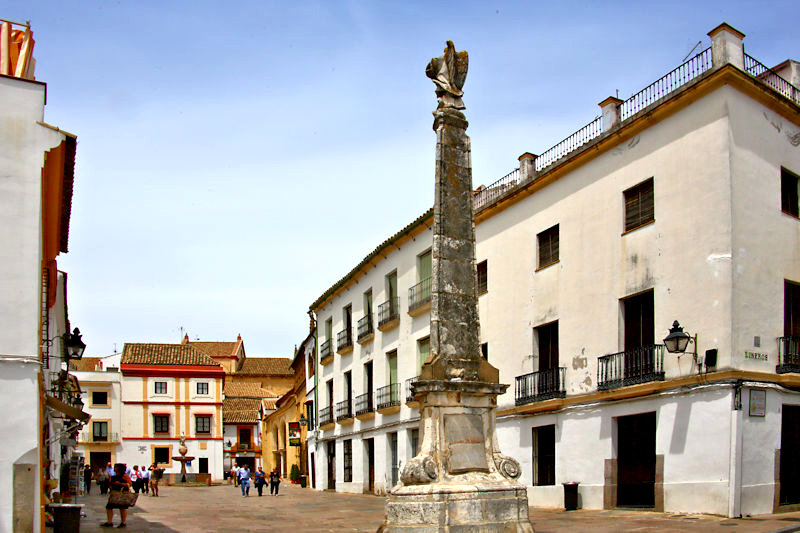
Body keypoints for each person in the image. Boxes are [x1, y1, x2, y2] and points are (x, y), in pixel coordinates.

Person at [102, 463, 132, 528]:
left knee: (122, 508)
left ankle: (123, 522)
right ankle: (109, 522)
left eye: (116, 467)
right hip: (114, 492)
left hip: (122, 493)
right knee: (109, 507)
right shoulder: (114, 475)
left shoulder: (124, 475)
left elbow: (129, 484)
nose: (114, 468)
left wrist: (120, 484)